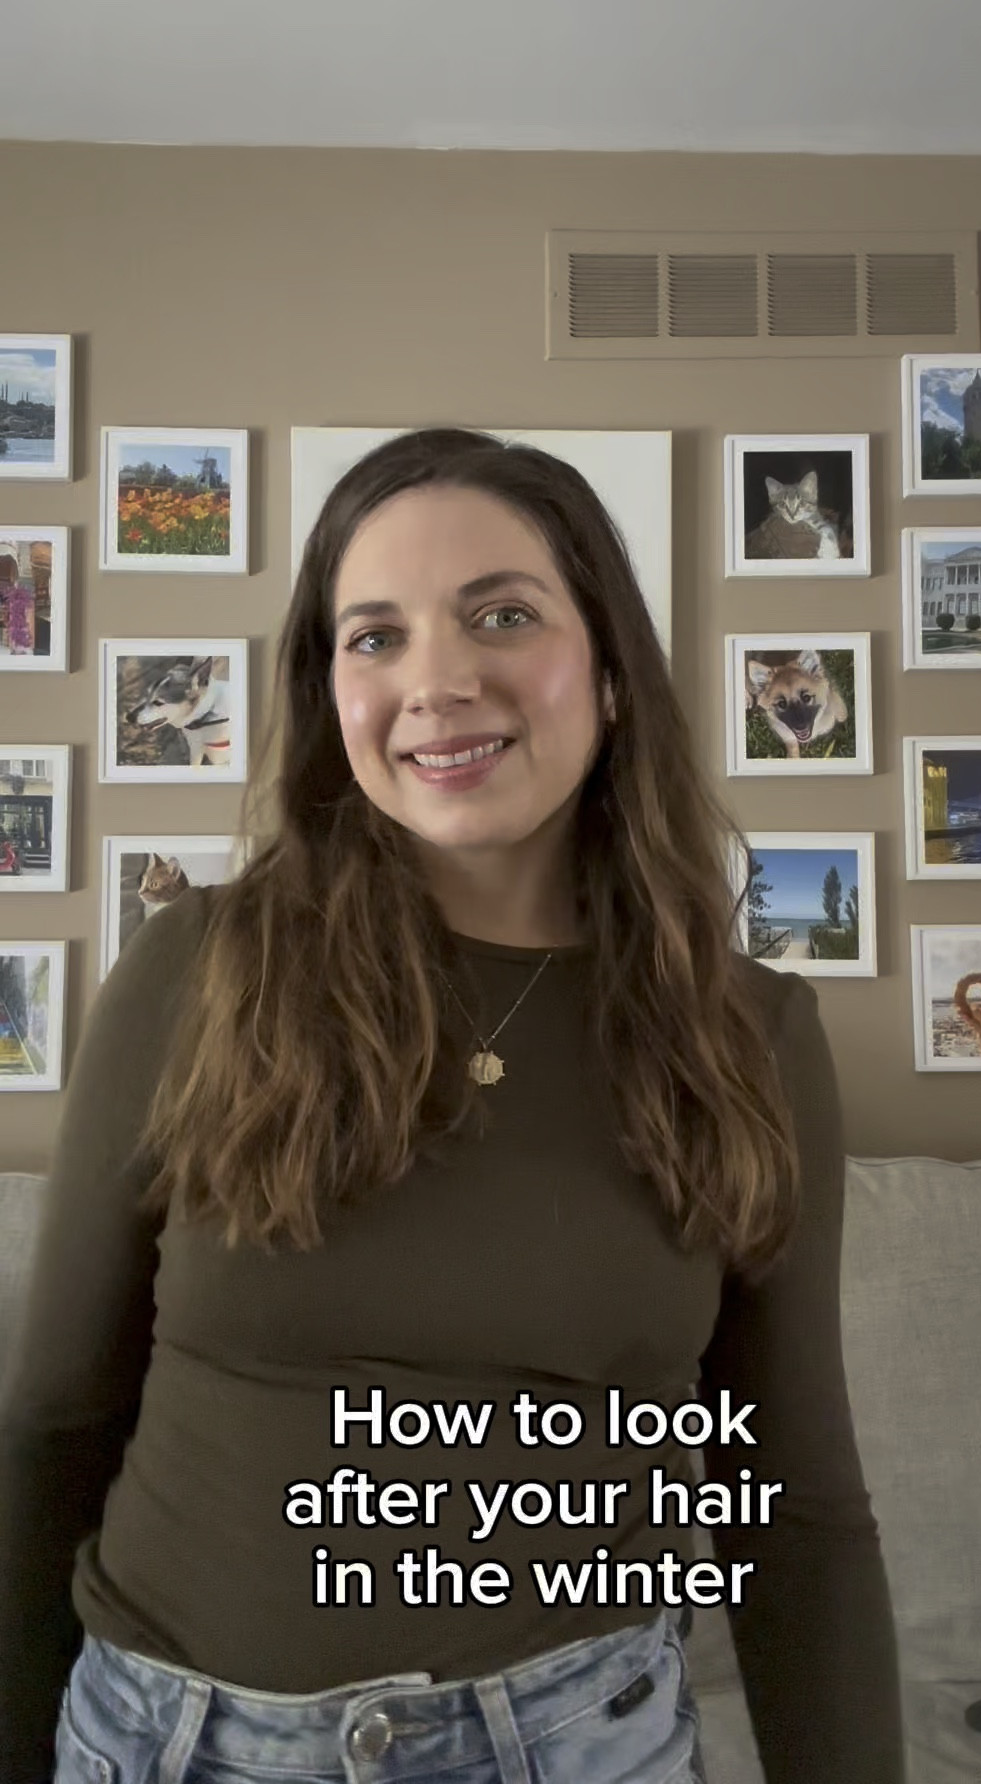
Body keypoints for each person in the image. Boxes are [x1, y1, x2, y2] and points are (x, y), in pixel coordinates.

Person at [0, 428, 904, 1783]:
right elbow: (56, 1424)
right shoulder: (198, 973)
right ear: (329, 692)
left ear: (605, 665)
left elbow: (798, 1510)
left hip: (580, 1745)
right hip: (167, 1742)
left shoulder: (749, 1036)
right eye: (374, 637)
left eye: (502, 614)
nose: (436, 680)